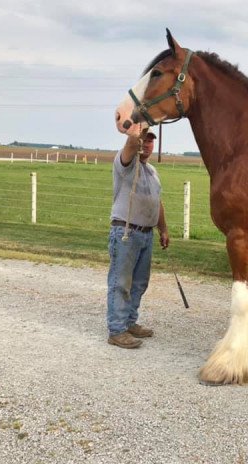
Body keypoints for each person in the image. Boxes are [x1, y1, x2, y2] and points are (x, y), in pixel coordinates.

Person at [106, 131, 169, 348]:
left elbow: (156, 202)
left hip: (146, 233)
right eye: (145, 140)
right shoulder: (125, 164)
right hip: (126, 232)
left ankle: (130, 322)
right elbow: (132, 143)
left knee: (140, 282)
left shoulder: (152, 171)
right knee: (121, 282)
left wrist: (163, 229)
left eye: (151, 140)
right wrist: (137, 131)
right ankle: (116, 330)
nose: (147, 144)